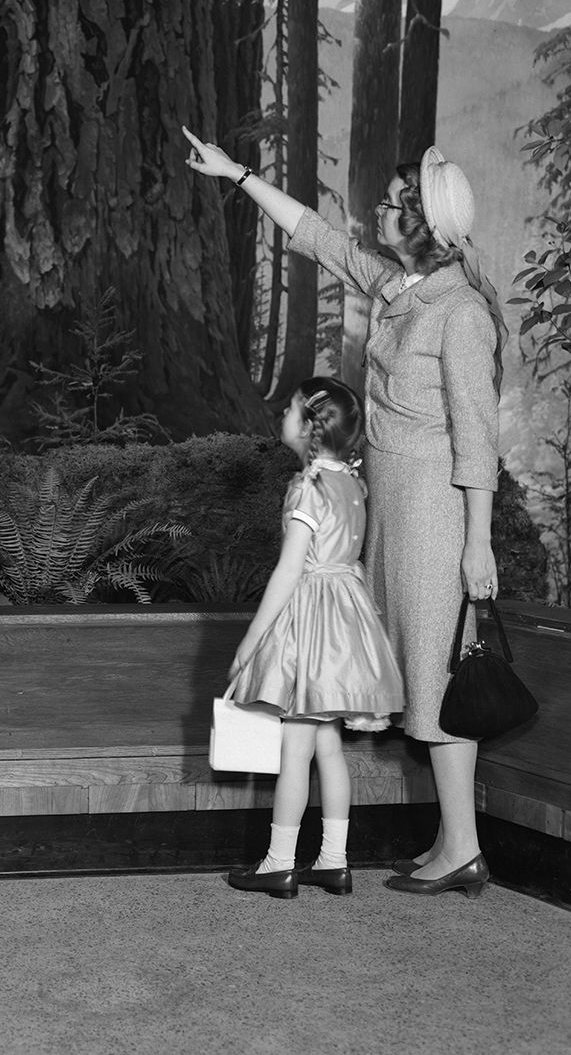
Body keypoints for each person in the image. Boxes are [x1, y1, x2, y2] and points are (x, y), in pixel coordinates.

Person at [185, 127, 503, 900]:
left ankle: (461, 848)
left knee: (437, 679)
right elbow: (316, 236)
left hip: (437, 514)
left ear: (424, 227)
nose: (381, 212)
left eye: (397, 206)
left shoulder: (459, 312)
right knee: (415, 678)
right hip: (389, 508)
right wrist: (239, 177)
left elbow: (477, 434)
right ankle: (446, 842)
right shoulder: (400, 289)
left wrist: (478, 545)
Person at [223, 375, 404, 900]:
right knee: (329, 747)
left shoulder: (309, 487)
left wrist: (253, 640)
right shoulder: (352, 483)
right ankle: (333, 860)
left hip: (311, 622)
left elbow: (288, 571)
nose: (281, 416)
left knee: (295, 748)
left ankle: (279, 864)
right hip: (346, 620)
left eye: (290, 410)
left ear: (311, 429)